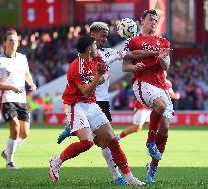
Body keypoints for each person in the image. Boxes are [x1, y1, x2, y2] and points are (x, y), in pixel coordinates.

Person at [56, 21, 166, 184]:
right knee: (101, 142)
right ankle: (117, 176)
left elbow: (131, 55)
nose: (105, 37)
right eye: (102, 34)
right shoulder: (84, 58)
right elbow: (81, 82)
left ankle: (119, 176)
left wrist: (152, 53)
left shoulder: (108, 52)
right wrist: (101, 75)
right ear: (93, 35)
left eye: (107, 34)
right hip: (86, 101)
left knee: (106, 143)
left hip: (101, 102)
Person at [49, 35, 145, 186]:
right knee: (87, 143)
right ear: (88, 49)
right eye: (94, 45)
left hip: (92, 105)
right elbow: (86, 91)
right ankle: (57, 161)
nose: (97, 48)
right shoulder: (76, 67)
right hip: (77, 106)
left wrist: (102, 76)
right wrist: (98, 77)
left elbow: (105, 73)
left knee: (113, 142)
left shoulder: (97, 59)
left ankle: (129, 178)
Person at [123, 9, 173, 183]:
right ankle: (150, 142)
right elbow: (125, 66)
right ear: (141, 21)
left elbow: (166, 66)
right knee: (161, 106)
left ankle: (152, 169)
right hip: (142, 82)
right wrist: (135, 68)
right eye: (150, 19)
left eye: (155, 19)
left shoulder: (164, 42)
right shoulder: (134, 41)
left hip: (161, 85)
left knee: (165, 127)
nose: (153, 21)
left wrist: (161, 58)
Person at [0, 29, 37, 169]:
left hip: (22, 100)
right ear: (5, 42)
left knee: (25, 133)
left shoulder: (22, 58)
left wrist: (31, 82)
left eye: (16, 40)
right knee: (15, 129)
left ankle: (6, 152)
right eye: (11, 40)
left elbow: (26, 73)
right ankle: (9, 163)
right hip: (7, 99)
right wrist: (11, 87)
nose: (14, 42)